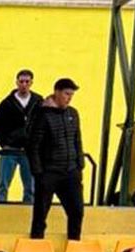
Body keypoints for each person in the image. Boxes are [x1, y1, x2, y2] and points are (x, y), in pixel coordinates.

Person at [28, 78, 85, 240]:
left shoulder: (73, 113)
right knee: (41, 213)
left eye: (71, 94)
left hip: (71, 170)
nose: (69, 98)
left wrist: (79, 164)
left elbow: (77, 140)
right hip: (49, 171)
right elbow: (34, 145)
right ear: (57, 92)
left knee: (77, 210)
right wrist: (38, 173)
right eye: (67, 94)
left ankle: (74, 243)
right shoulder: (42, 114)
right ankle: (36, 243)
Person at [0, 69, 38, 204]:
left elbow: (44, 125)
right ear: (16, 82)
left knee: (30, 187)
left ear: (31, 83)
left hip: (29, 151)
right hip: (10, 149)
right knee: (3, 185)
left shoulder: (38, 102)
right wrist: (4, 144)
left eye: (27, 81)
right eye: (21, 81)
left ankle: (28, 213)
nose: (24, 84)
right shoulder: (6, 104)